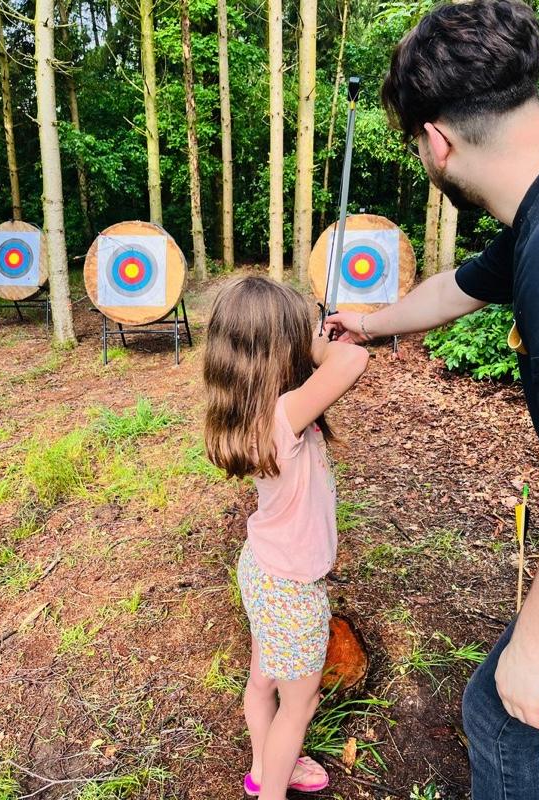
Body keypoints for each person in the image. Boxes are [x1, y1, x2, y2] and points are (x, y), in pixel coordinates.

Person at [325, 2, 539, 799]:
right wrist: (364, 325)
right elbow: (456, 288)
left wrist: (533, 649)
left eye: (413, 147)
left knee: (500, 711)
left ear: (434, 140)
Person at [203, 276, 369, 800]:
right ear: (282, 349)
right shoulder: (283, 415)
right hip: (292, 590)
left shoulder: (255, 412)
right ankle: (271, 789)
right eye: (297, 337)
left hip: (263, 569)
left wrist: (309, 338)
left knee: (262, 682)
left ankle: (265, 768)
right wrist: (321, 345)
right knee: (299, 706)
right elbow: (351, 363)